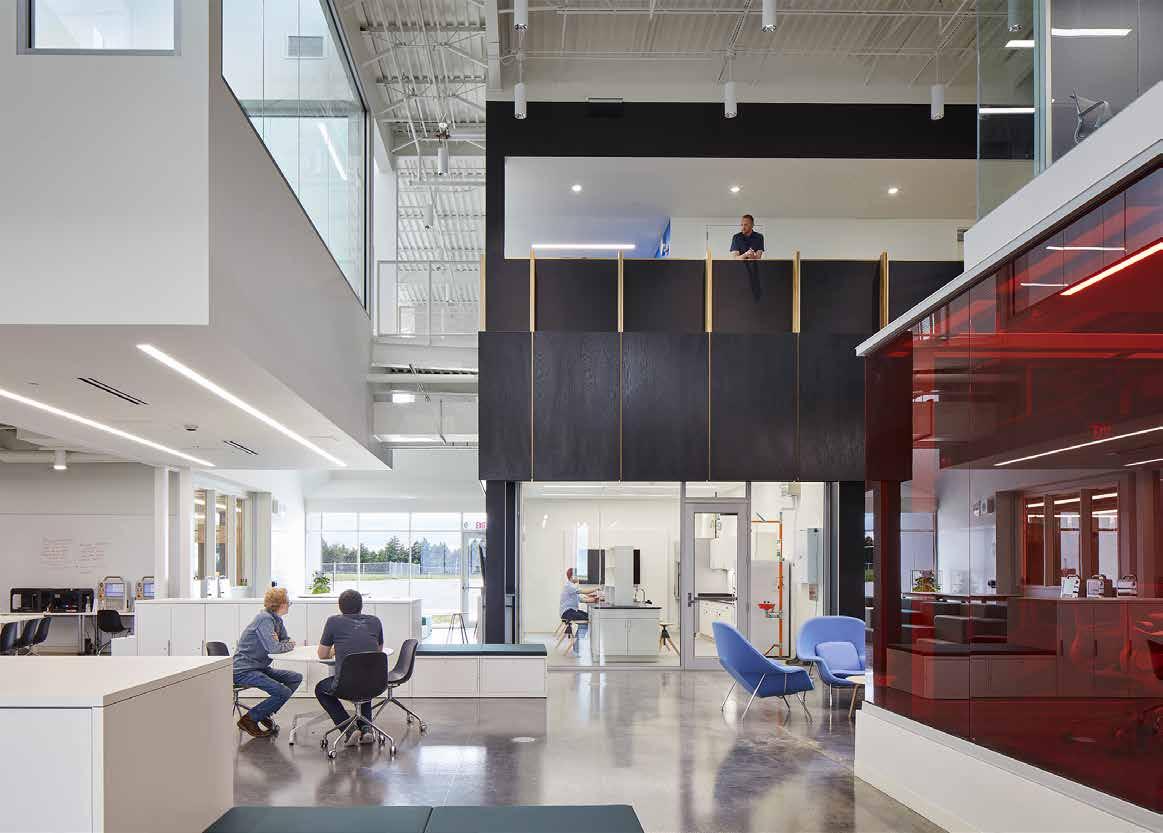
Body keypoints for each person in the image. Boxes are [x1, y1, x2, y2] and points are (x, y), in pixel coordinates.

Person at [314, 589, 385, 745]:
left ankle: (349, 729)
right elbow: (377, 652)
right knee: (364, 678)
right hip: (375, 683)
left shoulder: (333, 622)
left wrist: (335, 650)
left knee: (321, 689)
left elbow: (322, 654)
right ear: (361, 606)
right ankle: (366, 729)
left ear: (340, 607)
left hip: (345, 685)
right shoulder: (375, 621)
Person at [233, 587, 301, 738]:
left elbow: (285, 639)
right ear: (281, 604)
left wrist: (283, 642)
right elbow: (275, 648)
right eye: (288, 602)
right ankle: (249, 719)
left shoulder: (276, 620)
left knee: (295, 678)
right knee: (283, 692)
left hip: (259, 667)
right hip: (243, 670)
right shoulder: (264, 619)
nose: (289, 605)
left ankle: (264, 712)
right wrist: (288, 644)